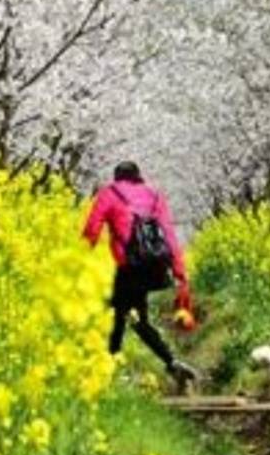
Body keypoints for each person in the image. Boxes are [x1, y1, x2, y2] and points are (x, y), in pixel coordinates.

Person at [82, 161, 201, 392]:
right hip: (153, 267)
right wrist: (179, 272)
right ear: (139, 176)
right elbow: (168, 233)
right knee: (128, 316)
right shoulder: (155, 195)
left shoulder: (110, 192)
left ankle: (107, 374)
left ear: (117, 177)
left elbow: (92, 229)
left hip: (130, 267)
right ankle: (169, 363)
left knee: (121, 317)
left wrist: (76, 262)